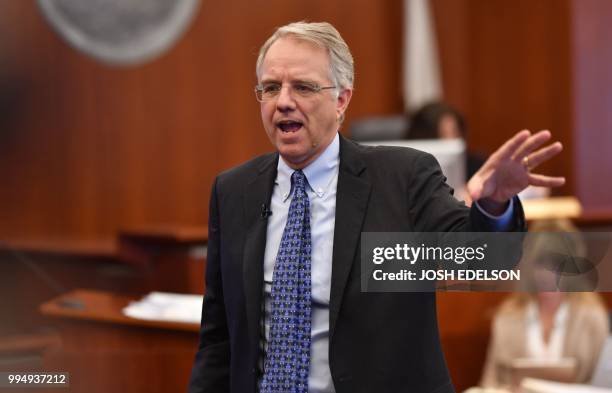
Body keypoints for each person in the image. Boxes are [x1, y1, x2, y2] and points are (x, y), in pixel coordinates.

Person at [187, 21, 565, 393]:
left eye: (302, 87)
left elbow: (480, 259)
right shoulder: (233, 191)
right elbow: (220, 337)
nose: (284, 101)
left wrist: (494, 204)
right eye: (271, 88)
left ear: (341, 99)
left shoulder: (402, 178)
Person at [479, 219, 610, 390]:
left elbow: (602, 385)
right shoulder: (507, 317)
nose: (549, 273)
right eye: (541, 263)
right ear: (529, 265)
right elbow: (489, 383)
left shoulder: (592, 317)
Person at [407, 101, 486, 179]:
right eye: (443, 134)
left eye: (455, 132)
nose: (451, 140)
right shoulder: (409, 170)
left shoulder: (476, 167)